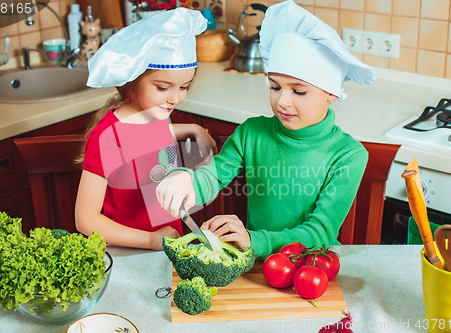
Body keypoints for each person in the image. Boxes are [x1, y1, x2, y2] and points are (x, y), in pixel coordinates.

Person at [156, 0, 376, 259]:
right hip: (254, 263)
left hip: (308, 267)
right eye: (274, 86)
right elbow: (213, 177)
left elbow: (320, 233)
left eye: (299, 90)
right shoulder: (252, 133)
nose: (283, 100)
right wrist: (187, 181)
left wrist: (254, 239)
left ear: (331, 93)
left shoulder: (349, 155)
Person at [74, 8, 217, 251]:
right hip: (132, 252)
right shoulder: (107, 138)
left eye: (184, 86)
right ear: (134, 80)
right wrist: (151, 240)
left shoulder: (156, 112)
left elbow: (146, 140)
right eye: (163, 87)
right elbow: (85, 220)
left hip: (169, 245)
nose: (175, 99)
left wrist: (191, 129)